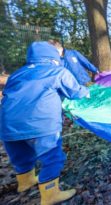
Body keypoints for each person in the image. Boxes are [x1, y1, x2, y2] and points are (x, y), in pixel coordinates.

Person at [0, 41, 89, 205]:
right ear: (54, 57)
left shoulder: (17, 74)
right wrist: (87, 92)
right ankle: (50, 195)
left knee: (21, 155)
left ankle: (25, 182)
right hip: (41, 124)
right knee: (52, 156)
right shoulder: (57, 71)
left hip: (8, 126)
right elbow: (75, 91)